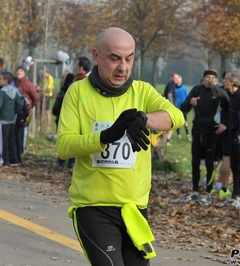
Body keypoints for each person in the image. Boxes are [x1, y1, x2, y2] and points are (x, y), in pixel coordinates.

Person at [56, 27, 185, 266]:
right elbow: (64, 146)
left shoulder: (143, 91)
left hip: (134, 209)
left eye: (129, 58)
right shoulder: (78, 92)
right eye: (114, 58)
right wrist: (105, 136)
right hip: (94, 208)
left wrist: (144, 119)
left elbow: (176, 116)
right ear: (96, 56)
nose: (123, 67)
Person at [181, 68, 229, 205]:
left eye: (213, 78)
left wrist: (224, 124)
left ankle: (208, 192)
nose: (210, 80)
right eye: (208, 77)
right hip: (197, 130)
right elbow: (183, 108)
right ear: (203, 79)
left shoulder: (220, 93)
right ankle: (195, 191)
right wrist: (190, 103)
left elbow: (228, 110)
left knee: (210, 163)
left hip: (212, 132)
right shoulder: (196, 90)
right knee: (195, 162)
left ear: (216, 80)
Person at [216, 68, 240, 208]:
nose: (224, 81)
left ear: (233, 82)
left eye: (226, 79)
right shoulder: (228, 95)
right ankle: (235, 195)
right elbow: (226, 113)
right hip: (230, 136)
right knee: (234, 167)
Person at [0, 72, 22, 167]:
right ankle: (13, 160)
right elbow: (19, 105)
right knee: (11, 140)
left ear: (6, 80)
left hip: (2, 119)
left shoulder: (2, 92)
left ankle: (3, 160)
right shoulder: (15, 90)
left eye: (1, 79)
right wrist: (14, 113)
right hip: (11, 119)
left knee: (2, 140)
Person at [15, 65, 39, 164]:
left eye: (21, 70)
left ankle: (22, 149)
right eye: (17, 70)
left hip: (25, 112)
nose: (18, 72)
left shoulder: (28, 84)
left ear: (24, 73)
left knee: (23, 131)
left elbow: (36, 97)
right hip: (16, 112)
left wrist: (30, 107)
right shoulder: (16, 84)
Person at [173, 73, 190, 141]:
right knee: (178, 121)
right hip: (177, 107)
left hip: (184, 107)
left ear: (181, 80)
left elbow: (187, 97)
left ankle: (188, 135)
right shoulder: (173, 88)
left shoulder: (184, 88)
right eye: (176, 79)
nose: (178, 80)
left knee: (185, 121)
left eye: (179, 79)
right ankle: (178, 135)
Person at [38, 68, 54, 132]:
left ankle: (48, 126)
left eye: (42, 73)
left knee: (47, 111)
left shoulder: (50, 78)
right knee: (41, 111)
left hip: (47, 96)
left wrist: (40, 89)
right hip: (42, 95)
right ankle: (40, 125)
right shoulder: (43, 79)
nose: (41, 74)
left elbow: (50, 89)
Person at [163, 73, 176, 143]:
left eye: (177, 78)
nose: (176, 79)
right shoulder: (171, 84)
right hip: (169, 107)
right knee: (173, 123)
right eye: (175, 78)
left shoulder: (170, 84)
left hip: (166, 106)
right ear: (171, 78)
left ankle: (165, 138)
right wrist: (172, 105)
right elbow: (169, 94)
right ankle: (167, 139)